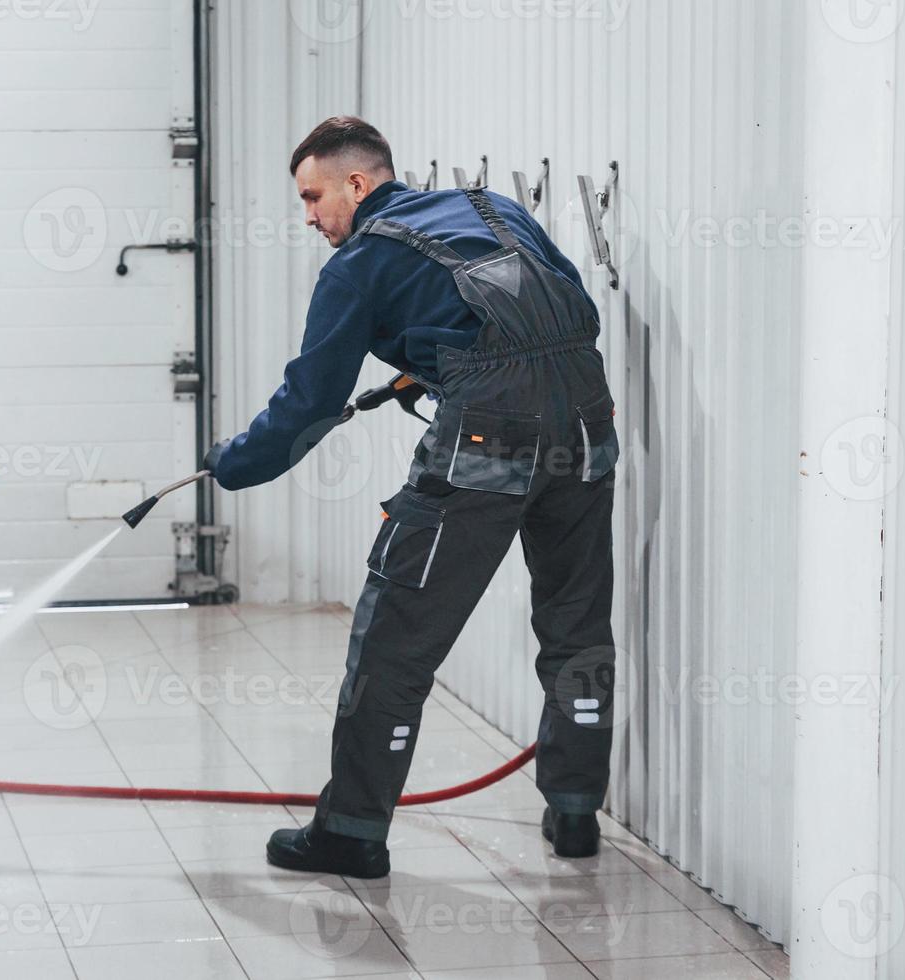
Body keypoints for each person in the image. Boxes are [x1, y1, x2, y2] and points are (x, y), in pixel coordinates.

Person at [202, 116, 620, 878]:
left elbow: (310, 404)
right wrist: (437, 368)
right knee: (576, 624)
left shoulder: (358, 263)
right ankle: (574, 813)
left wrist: (232, 464)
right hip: (587, 424)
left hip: (487, 447)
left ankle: (351, 832)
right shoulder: (494, 207)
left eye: (313, 196)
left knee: (395, 638)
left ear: (358, 184)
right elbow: (555, 306)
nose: (310, 218)